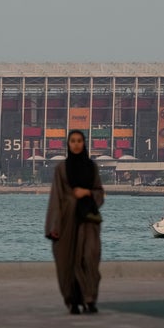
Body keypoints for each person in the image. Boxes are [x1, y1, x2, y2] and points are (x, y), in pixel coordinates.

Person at [45, 130, 105, 315]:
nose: (76, 144)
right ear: (68, 144)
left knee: (90, 258)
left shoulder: (91, 167)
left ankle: (90, 299)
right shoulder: (61, 169)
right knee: (67, 262)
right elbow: (56, 198)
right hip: (67, 221)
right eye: (73, 141)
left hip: (88, 220)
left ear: (84, 143)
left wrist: (86, 193)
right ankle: (72, 300)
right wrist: (53, 227)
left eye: (79, 141)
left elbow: (99, 193)